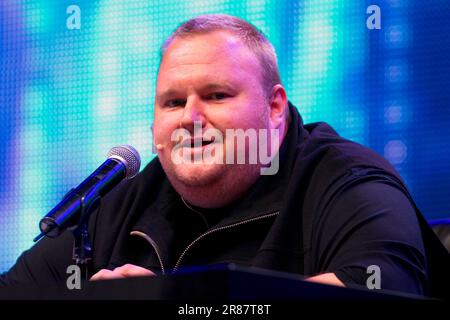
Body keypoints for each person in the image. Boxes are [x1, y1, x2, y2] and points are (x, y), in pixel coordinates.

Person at [1, 14, 448, 298]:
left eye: (216, 95)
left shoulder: (348, 178)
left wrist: (173, 299)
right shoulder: (121, 201)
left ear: (274, 107)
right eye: (173, 103)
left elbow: (385, 290)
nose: (190, 118)